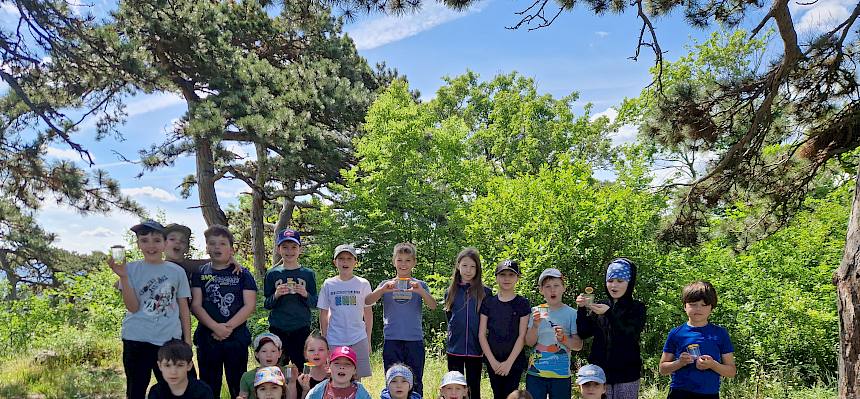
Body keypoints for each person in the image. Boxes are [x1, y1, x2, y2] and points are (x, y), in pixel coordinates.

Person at [109, 220, 192, 399]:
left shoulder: (177, 272)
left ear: (164, 243)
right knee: (136, 389)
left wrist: (188, 342)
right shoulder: (129, 269)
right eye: (144, 240)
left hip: (169, 341)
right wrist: (123, 276)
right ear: (138, 244)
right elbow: (132, 307)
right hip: (136, 339)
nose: (151, 245)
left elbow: (184, 310)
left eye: (156, 240)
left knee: (173, 390)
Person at [191, 225, 258, 398]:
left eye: (222, 243)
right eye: (212, 243)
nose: (217, 247)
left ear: (231, 248)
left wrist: (226, 328)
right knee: (208, 385)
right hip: (207, 338)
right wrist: (215, 327)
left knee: (238, 385)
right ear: (206, 247)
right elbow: (196, 305)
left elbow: (249, 305)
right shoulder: (200, 273)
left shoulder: (243, 274)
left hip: (236, 339)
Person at [365, 243, 437, 396]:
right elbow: (368, 301)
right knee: (392, 381)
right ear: (394, 261)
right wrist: (382, 290)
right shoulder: (386, 284)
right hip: (392, 340)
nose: (403, 264)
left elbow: (433, 305)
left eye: (408, 260)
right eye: (400, 260)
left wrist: (421, 292)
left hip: (414, 340)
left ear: (414, 262)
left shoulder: (420, 284)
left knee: (415, 380)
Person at [576, 258, 646, 399]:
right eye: (610, 281)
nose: (614, 285)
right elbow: (584, 333)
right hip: (599, 375)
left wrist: (609, 314)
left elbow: (630, 335)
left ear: (629, 283)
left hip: (627, 375)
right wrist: (581, 309)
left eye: (620, 281)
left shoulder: (637, 308)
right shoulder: (600, 305)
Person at [659, 281, 736, 399]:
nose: (698, 308)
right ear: (685, 306)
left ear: (712, 308)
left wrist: (712, 364)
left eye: (704, 305)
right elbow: (663, 369)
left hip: (709, 394)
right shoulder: (676, 333)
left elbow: (731, 372)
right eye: (693, 304)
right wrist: (680, 362)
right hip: (679, 392)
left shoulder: (720, 333)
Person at [524, 268, 582, 399]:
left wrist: (564, 339)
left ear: (564, 288)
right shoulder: (535, 311)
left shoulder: (572, 314)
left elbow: (578, 345)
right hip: (535, 375)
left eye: (556, 285)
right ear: (541, 290)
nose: (552, 290)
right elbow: (529, 343)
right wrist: (535, 326)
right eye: (547, 286)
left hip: (561, 375)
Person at [318, 244, 373, 378]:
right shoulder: (328, 284)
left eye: (349, 258)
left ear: (355, 262)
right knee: (334, 375)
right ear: (334, 262)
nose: (345, 262)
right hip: (335, 338)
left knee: (356, 376)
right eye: (341, 258)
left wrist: (368, 340)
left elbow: (368, 313)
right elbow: (323, 313)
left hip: (358, 337)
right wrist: (324, 339)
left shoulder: (363, 283)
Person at [265, 228, 318, 366]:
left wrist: (305, 294)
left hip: (301, 329)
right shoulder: (272, 274)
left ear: (299, 249)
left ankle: (304, 388)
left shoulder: (308, 274)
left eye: (294, 247)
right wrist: (276, 295)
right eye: (285, 247)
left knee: (303, 369)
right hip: (278, 328)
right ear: (278, 249)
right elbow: (266, 304)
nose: (289, 251)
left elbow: (315, 303)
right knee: (276, 370)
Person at [444, 248, 492, 399]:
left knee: (473, 388)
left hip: (475, 349)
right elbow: (449, 316)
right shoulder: (450, 291)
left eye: (472, 266)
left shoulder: (485, 292)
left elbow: (488, 321)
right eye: (464, 266)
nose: (468, 270)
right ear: (458, 266)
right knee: (454, 388)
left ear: (478, 269)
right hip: (454, 349)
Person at [478, 260, 531, 399]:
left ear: (517, 278)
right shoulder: (488, 302)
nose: (506, 278)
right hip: (492, 359)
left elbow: (522, 336)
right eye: (502, 274)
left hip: (514, 361)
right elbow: (482, 334)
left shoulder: (522, 303)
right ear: (496, 277)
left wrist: (509, 363)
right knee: (497, 395)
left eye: (511, 275)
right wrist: (492, 361)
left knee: (511, 395)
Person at [238, 333, 298, 399]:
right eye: (264, 351)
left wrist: (292, 382)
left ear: (279, 353)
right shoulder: (247, 376)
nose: (269, 355)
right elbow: (243, 396)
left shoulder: (287, 372)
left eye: (273, 351)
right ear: (256, 354)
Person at [147, 339, 214, 399]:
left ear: (189, 366)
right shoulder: (156, 392)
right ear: (159, 366)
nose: (173, 372)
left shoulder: (203, 391)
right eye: (167, 365)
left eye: (180, 365)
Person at [305, 346, 373, 399]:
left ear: (354, 370)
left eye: (347, 364)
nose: (342, 367)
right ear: (329, 367)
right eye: (337, 363)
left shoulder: (361, 392)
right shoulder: (317, 391)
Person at [295, 332, 331, 399]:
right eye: (311, 350)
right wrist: (305, 390)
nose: (316, 353)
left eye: (321, 350)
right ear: (305, 354)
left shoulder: (334, 377)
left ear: (328, 353)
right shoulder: (300, 380)